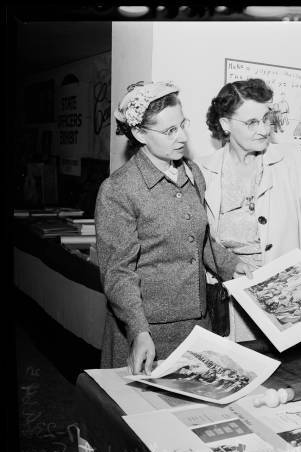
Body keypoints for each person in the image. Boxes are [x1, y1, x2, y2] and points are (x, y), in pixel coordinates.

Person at [96, 81, 251, 374]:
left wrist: (233, 266)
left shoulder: (192, 173)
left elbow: (199, 240)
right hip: (147, 332)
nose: (182, 136)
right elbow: (118, 273)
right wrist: (139, 331)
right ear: (140, 133)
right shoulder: (118, 190)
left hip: (196, 327)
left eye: (182, 124)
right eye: (169, 131)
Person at [196, 78, 301, 341]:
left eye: (266, 119)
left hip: (287, 299)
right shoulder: (202, 170)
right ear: (226, 124)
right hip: (228, 299)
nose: (263, 130)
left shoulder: (292, 160)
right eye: (251, 122)